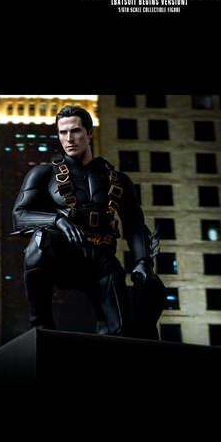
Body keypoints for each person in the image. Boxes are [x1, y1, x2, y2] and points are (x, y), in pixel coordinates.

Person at [12, 105, 165, 339]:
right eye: (62, 132)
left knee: (120, 330)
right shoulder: (43, 174)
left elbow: (134, 225)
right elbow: (19, 216)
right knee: (40, 240)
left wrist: (143, 262)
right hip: (63, 256)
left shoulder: (118, 180)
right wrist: (57, 220)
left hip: (101, 259)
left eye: (75, 131)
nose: (69, 139)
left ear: (89, 133)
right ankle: (40, 325)